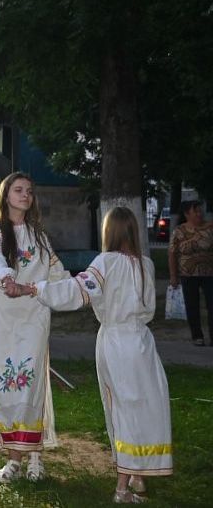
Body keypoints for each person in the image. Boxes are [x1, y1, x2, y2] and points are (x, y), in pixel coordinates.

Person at [20, 207, 171, 503]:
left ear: (108, 231)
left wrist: (36, 289)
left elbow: (76, 292)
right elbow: (148, 306)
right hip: (142, 341)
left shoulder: (105, 263)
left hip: (116, 341)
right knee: (144, 404)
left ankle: (122, 488)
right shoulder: (147, 265)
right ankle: (138, 474)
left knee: (122, 408)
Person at [0, 172, 67, 484]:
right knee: (4, 386)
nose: (25, 195)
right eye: (18, 190)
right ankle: (13, 459)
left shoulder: (39, 236)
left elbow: (57, 273)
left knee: (31, 384)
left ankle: (35, 457)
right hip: (1, 316)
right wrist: (8, 280)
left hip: (33, 316)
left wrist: (82, 287)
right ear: (5, 195)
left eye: (29, 191)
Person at [168, 200, 213, 346]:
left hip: (209, 274)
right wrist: (173, 276)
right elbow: (172, 254)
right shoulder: (179, 231)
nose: (200, 214)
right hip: (188, 274)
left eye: (201, 210)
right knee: (192, 306)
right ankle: (197, 336)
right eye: (196, 211)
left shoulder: (210, 227)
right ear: (187, 214)